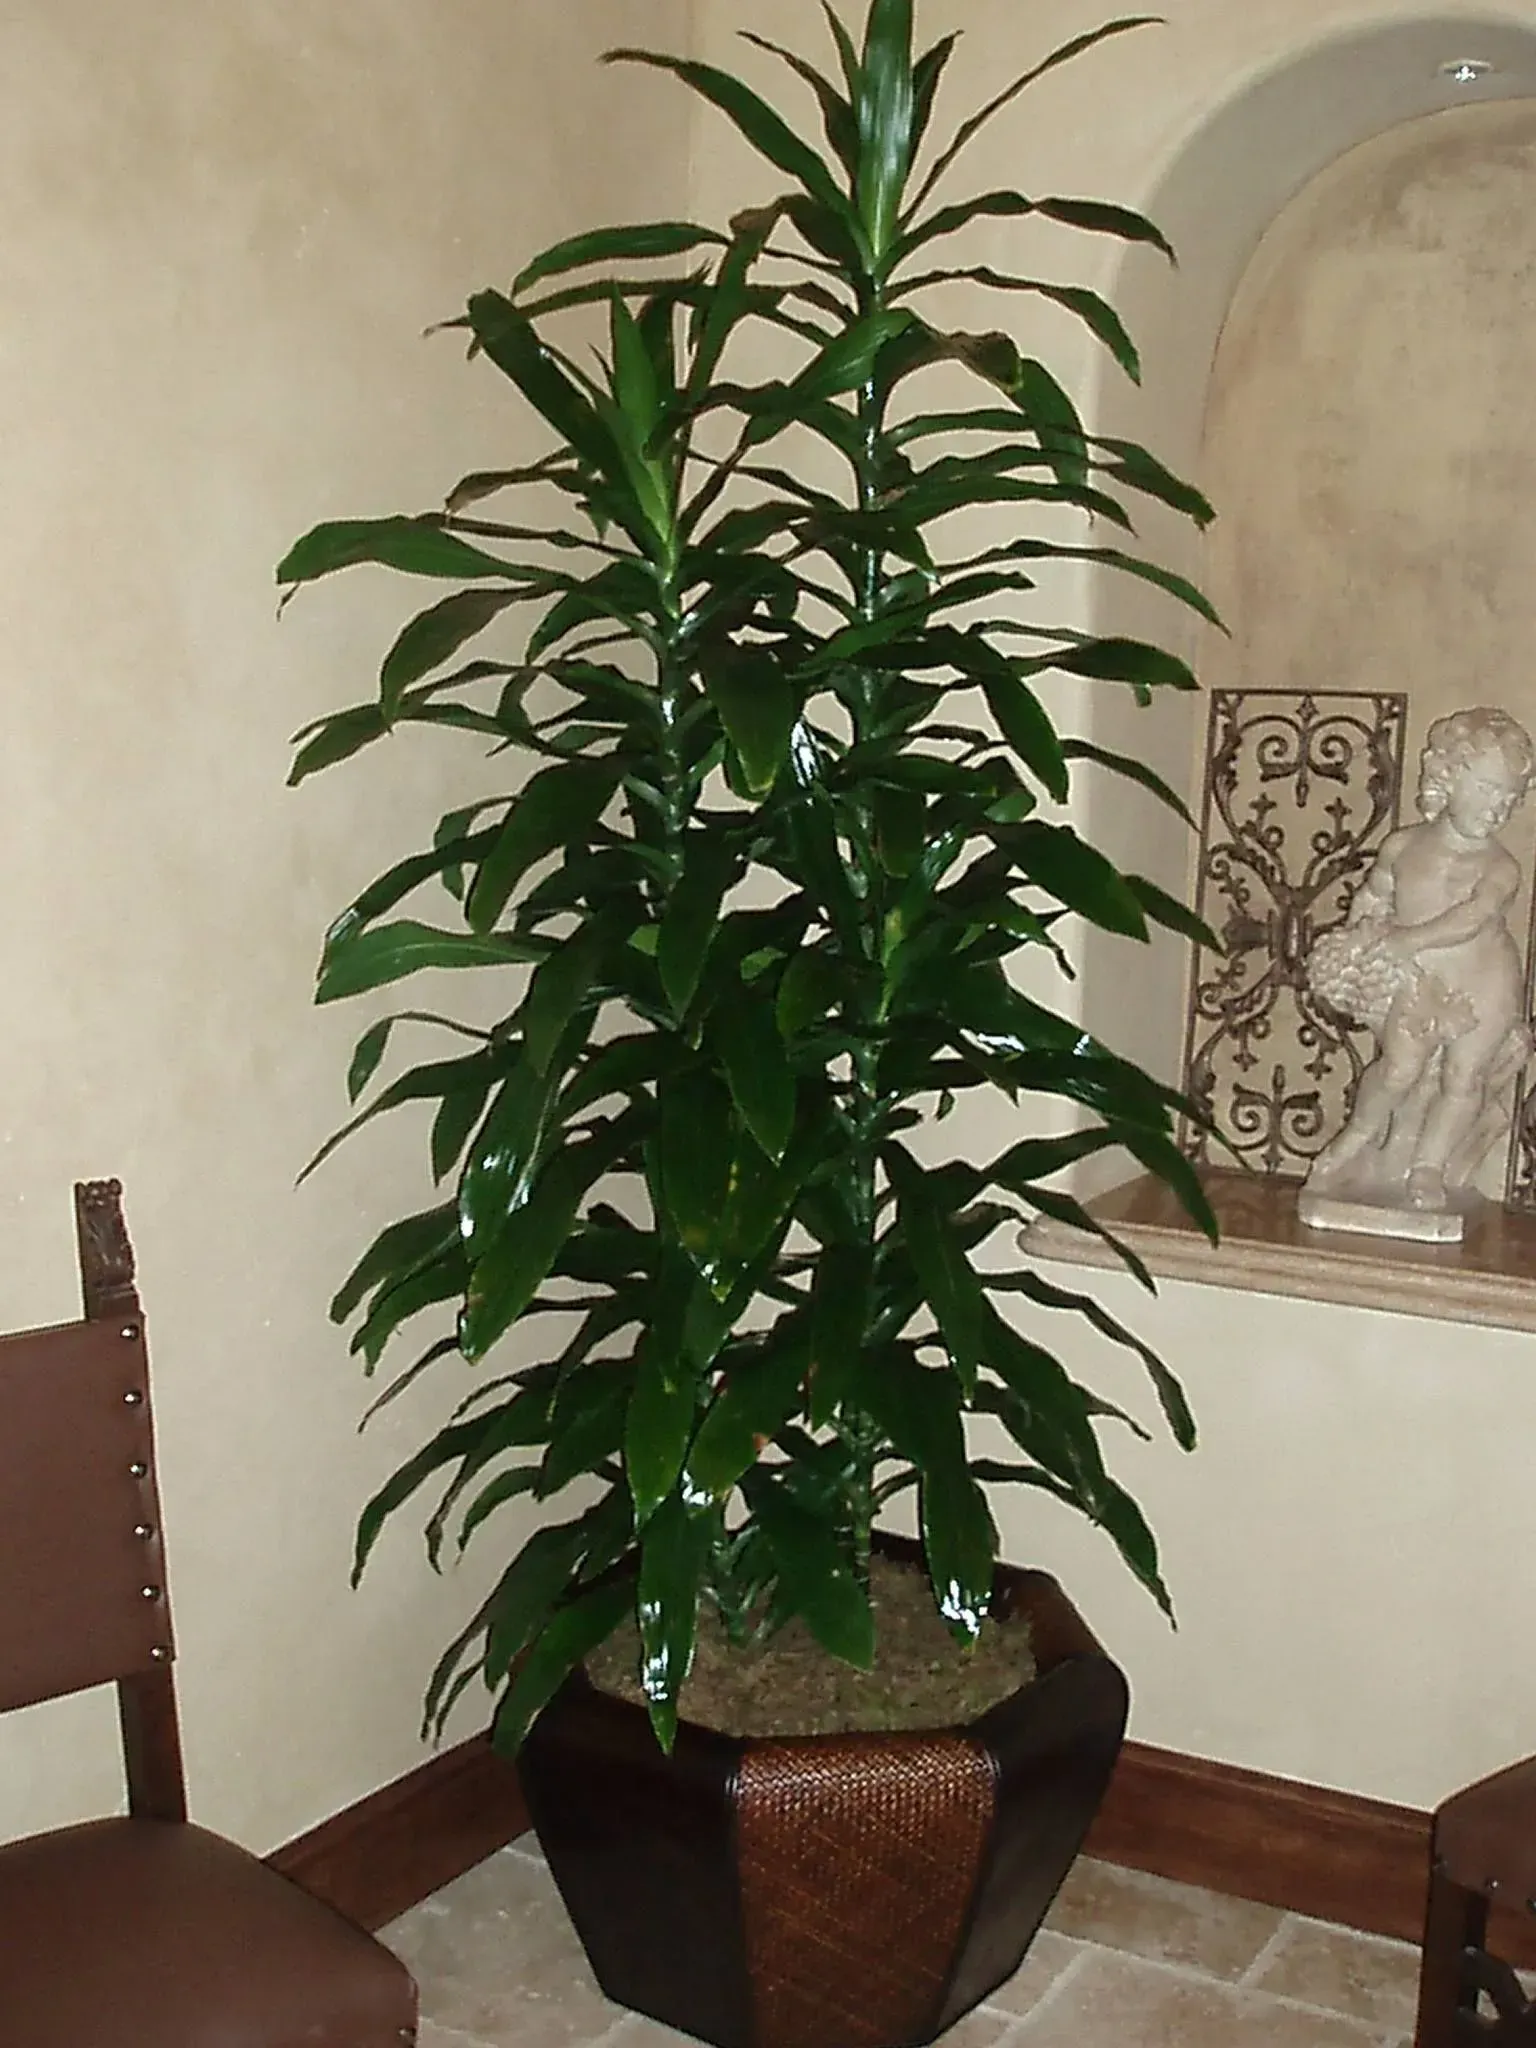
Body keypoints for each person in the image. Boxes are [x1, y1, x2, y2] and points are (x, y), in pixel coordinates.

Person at [1305, 707, 1535, 1212]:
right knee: (1399, 1069)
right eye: (1487, 790)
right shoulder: (1403, 846)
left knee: (1463, 1076)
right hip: (1419, 983)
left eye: (1510, 798)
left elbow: (1472, 917)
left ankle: (1429, 1166)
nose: (1498, 808)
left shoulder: (1500, 866)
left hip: (1484, 982)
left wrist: (1406, 940)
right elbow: (1374, 894)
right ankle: (1356, 1137)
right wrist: (1363, 926)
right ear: (1448, 777)